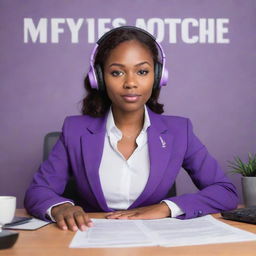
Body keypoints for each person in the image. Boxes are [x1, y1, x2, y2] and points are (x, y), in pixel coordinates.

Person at [24, 26, 238, 232]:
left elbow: (225, 191)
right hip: (90, 240)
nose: (130, 83)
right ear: (98, 78)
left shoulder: (179, 131)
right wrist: (59, 207)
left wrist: (166, 208)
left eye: (142, 71)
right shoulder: (75, 130)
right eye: (117, 73)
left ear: (157, 76)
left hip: (154, 244)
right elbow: (38, 192)